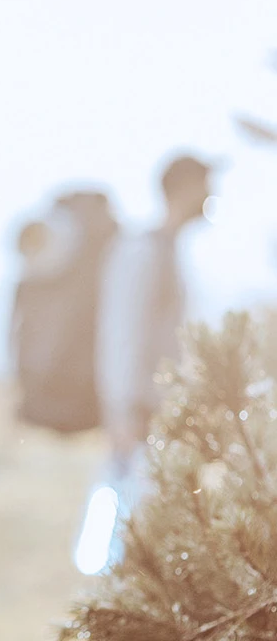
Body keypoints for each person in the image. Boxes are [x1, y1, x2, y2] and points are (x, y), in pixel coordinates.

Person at [96, 155, 214, 478]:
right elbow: (122, 333)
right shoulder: (141, 251)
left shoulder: (171, 252)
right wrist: (122, 411)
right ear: (184, 189)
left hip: (163, 419)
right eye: (205, 186)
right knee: (129, 515)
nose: (211, 194)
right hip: (139, 421)